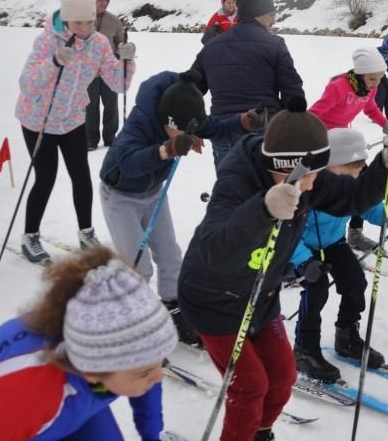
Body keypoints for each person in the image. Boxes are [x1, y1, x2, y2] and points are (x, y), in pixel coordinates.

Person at [177, 97, 388, 441]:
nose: (314, 185)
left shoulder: (309, 177)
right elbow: (214, 247)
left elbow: (356, 196)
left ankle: (260, 432)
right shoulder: (237, 180)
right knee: (250, 387)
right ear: (287, 167)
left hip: (262, 295)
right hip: (214, 300)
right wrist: (262, 208)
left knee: (283, 376)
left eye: (317, 174)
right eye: (308, 176)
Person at [98, 69, 266, 345]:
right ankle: (134, 320)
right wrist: (166, 150)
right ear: (168, 121)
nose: (193, 134)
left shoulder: (186, 115)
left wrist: (245, 121)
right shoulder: (141, 121)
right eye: (184, 130)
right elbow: (126, 161)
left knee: (170, 255)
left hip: (153, 194)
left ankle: (173, 308)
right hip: (120, 196)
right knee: (137, 266)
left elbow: (218, 128)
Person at [0, 247, 177, 440]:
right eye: (144, 372)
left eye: (159, 362)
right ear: (91, 370)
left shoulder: (131, 361)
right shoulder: (23, 399)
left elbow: (147, 380)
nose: (159, 376)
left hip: (76, 400)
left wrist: (152, 436)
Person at [289, 129, 388, 382]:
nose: (353, 180)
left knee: (355, 282)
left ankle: (346, 335)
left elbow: (369, 207)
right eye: (348, 172)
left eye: (359, 173)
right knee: (316, 290)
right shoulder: (309, 188)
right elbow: (286, 233)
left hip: (334, 243)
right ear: (328, 167)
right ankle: (305, 347)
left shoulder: (350, 188)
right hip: (304, 249)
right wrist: (304, 262)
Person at [16, 0, 135, 264]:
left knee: (81, 176)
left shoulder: (100, 43)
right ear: (67, 20)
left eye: (90, 21)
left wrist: (126, 61)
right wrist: (55, 62)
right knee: (45, 178)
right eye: (79, 22)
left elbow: (118, 84)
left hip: (72, 119)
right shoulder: (47, 41)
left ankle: (86, 233)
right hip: (39, 120)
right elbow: (27, 84)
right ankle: (30, 236)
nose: (85, 28)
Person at [192, 0, 304, 168]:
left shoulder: (211, 47)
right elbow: (292, 90)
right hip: (265, 129)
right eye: (271, 15)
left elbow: (191, 90)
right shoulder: (275, 44)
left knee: (230, 191)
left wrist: (192, 125)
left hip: (223, 129)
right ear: (259, 15)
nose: (273, 21)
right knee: (266, 190)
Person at [309, 48, 388, 252]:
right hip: (325, 142)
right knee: (323, 187)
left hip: (345, 142)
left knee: (363, 184)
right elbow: (314, 113)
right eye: (372, 78)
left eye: (380, 78)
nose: (376, 83)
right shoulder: (338, 87)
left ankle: (355, 233)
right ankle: (308, 236)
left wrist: (386, 125)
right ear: (360, 74)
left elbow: (370, 108)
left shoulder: (369, 88)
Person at [85, 0, 126, 150]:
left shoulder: (114, 21)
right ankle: (90, 139)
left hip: (110, 70)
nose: (104, 3)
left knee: (111, 105)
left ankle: (110, 138)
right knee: (90, 106)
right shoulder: (80, 19)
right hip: (88, 72)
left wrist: (121, 52)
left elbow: (120, 42)